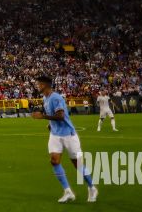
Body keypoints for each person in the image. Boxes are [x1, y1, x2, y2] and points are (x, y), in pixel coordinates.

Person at [31, 75, 98, 203]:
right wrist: (50, 124)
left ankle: (92, 188)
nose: (37, 86)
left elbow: (61, 116)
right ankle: (68, 192)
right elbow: (54, 115)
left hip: (68, 134)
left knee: (77, 164)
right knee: (54, 161)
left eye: (39, 84)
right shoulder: (45, 98)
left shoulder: (56, 97)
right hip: (55, 135)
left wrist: (43, 117)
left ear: (45, 85)